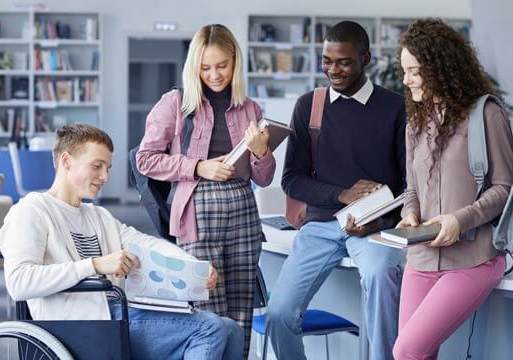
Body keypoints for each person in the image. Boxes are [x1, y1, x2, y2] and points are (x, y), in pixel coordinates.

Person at [0, 124, 244, 360]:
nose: (104, 176)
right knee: (209, 328)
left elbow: (146, 243)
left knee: (231, 329)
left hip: (116, 316)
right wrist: (94, 265)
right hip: (80, 325)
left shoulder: (97, 215)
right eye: (96, 166)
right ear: (67, 161)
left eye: (108, 168)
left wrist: (195, 266)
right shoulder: (32, 210)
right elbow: (19, 282)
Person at [265, 20, 406, 360]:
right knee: (279, 312)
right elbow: (292, 179)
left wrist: (380, 219)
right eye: (327, 61)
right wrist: (343, 195)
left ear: (365, 58)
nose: (333, 69)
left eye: (343, 61)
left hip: (375, 230)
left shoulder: (396, 108)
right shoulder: (308, 106)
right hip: (321, 227)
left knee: (381, 275)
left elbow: (408, 185)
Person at [136, 24, 275, 357]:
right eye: (205, 67)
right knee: (207, 306)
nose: (215, 75)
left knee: (242, 307)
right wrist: (198, 167)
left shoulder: (250, 108)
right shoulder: (176, 104)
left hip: (243, 209)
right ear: (194, 66)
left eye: (222, 66)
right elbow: (145, 159)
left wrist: (261, 152)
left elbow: (265, 178)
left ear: (235, 62)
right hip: (198, 212)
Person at [392, 18, 513, 359]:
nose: (406, 80)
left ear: (439, 67)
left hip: (474, 260)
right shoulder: (416, 120)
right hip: (421, 258)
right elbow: (411, 187)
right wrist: (411, 213)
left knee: (406, 350)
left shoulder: (486, 114)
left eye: (414, 70)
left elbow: (505, 188)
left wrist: (460, 220)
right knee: (418, 355)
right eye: (405, 70)